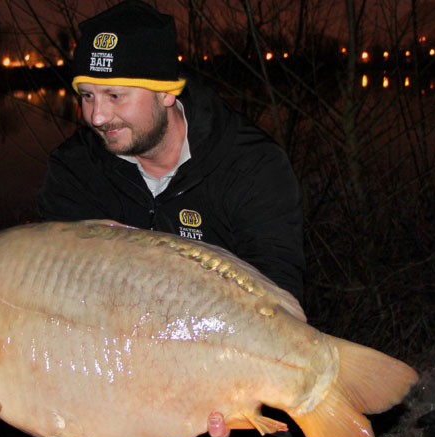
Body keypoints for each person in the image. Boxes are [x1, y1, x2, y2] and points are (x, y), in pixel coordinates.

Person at [38, 0, 305, 308]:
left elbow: (279, 300)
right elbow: (62, 287)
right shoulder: (74, 170)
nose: (97, 116)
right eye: (87, 96)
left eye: (115, 95)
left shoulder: (252, 166)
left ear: (166, 92)